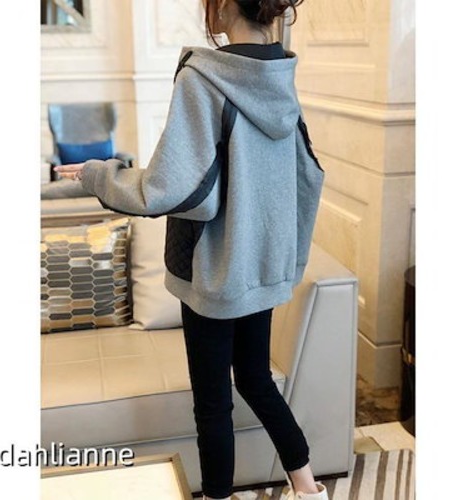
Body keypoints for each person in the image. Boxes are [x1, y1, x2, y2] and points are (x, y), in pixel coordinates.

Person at [55, 1, 327, 499]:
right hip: (260, 268)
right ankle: (308, 489)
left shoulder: (203, 78)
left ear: (220, 7)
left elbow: (168, 187)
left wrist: (100, 175)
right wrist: (282, 256)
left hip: (211, 272)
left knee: (213, 402)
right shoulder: (280, 77)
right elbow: (307, 176)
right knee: (256, 379)